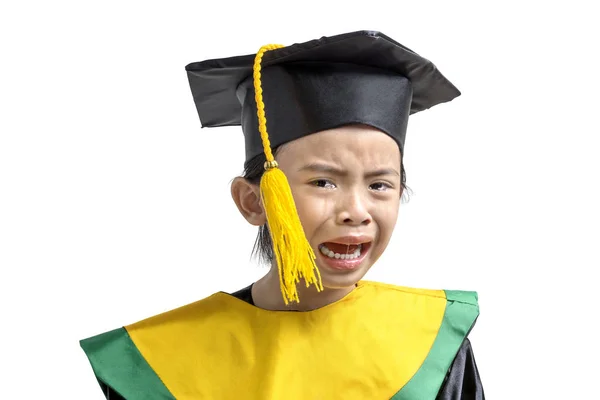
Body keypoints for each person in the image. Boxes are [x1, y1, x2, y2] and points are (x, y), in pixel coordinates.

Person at [80, 30, 484, 399]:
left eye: (380, 185)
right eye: (324, 182)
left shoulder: (432, 345)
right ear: (253, 202)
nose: (356, 211)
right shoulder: (160, 361)